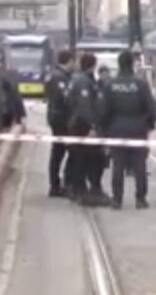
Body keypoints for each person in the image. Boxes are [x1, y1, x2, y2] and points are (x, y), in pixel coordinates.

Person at [99, 50, 156, 210]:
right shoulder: (141, 84)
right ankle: (141, 199)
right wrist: (150, 124)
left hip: (117, 128)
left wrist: (104, 129)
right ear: (132, 64)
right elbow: (151, 108)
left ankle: (117, 200)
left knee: (118, 165)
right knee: (140, 166)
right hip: (138, 128)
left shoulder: (111, 84)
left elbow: (104, 110)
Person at [66, 53, 109, 206]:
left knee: (83, 158)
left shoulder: (77, 79)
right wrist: (92, 126)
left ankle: (83, 189)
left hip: (77, 124)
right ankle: (85, 191)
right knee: (91, 158)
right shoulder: (83, 81)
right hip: (82, 126)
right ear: (92, 65)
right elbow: (85, 106)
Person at [46, 50, 74, 198]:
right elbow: (65, 98)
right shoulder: (59, 78)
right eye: (72, 62)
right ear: (68, 61)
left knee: (60, 151)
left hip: (57, 117)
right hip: (60, 119)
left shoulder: (57, 75)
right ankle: (57, 185)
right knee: (60, 152)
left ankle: (58, 183)